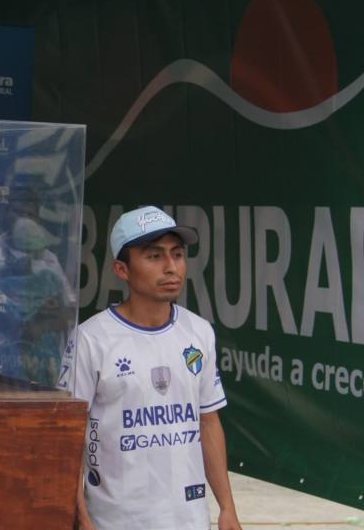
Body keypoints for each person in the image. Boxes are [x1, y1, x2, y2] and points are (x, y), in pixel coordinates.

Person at [58, 206, 242, 530]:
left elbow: (208, 421)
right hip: (114, 521)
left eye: (178, 254)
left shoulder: (199, 332)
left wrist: (227, 507)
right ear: (122, 269)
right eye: (154, 256)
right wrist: (80, 516)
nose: (171, 267)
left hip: (189, 520)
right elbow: (69, 435)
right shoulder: (91, 339)